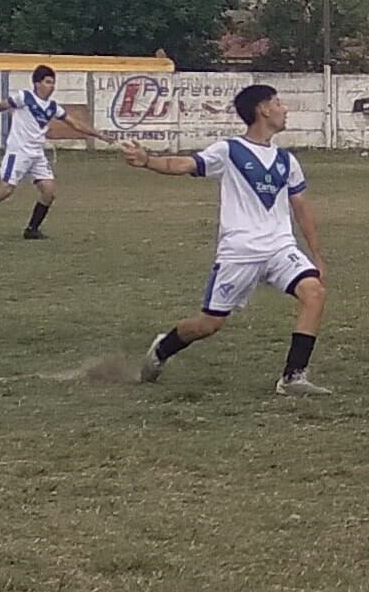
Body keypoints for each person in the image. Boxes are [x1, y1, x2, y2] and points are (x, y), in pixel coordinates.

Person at [122, 84, 332, 396]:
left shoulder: (287, 161)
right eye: (277, 103)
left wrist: (316, 254)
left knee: (314, 293)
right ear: (262, 110)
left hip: (279, 248)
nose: (284, 108)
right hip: (240, 252)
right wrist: (147, 159)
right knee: (209, 325)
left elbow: (301, 207)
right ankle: (162, 349)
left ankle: (293, 377)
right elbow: (184, 164)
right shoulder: (229, 151)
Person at [0, 65, 110, 240]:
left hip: (37, 153)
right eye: (48, 82)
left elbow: (75, 124)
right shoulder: (24, 97)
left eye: (53, 83)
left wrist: (98, 134)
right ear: (37, 83)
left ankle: (32, 229)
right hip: (18, 151)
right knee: (6, 189)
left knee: (49, 192)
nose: (52, 86)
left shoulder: (53, 107)